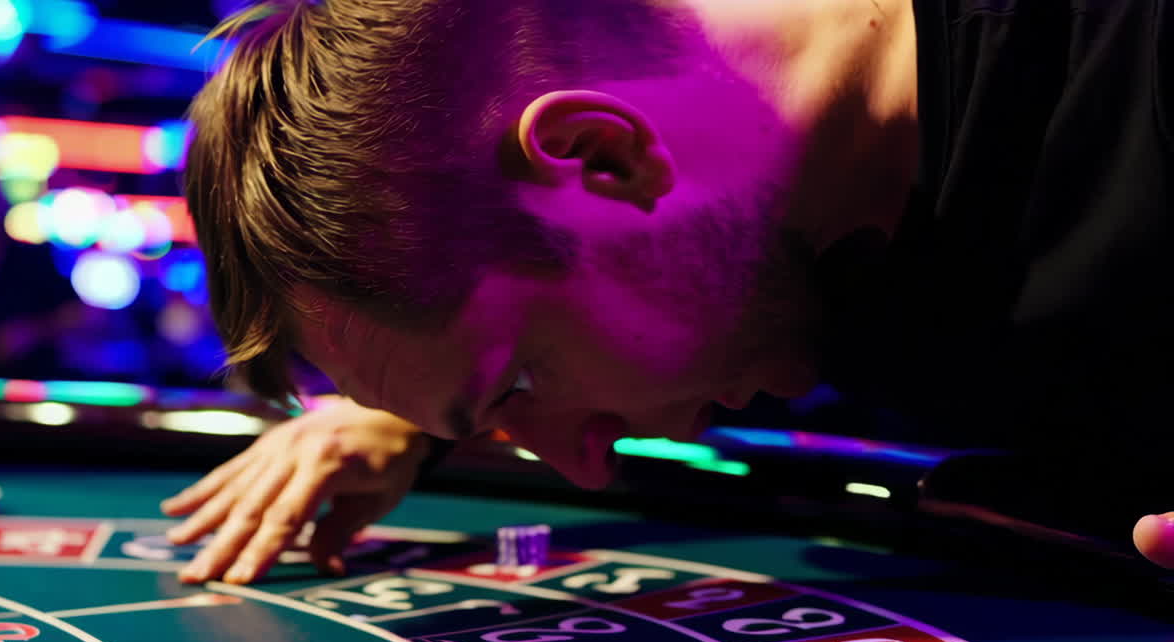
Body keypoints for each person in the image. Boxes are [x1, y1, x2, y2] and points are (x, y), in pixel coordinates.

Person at [162, 0, 1174, 586]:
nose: (586, 468)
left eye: (518, 384)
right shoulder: (748, 251)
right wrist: (417, 412)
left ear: (599, 155)